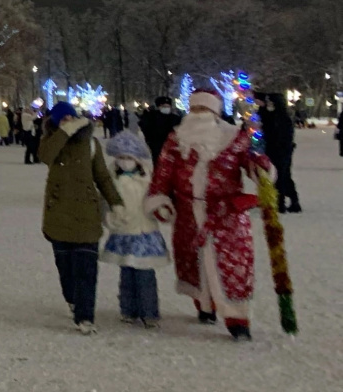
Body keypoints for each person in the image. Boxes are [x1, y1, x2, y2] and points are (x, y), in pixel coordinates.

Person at [146, 89, 273, 341]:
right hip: (188, 213)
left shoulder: (235, 137)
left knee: (232, 265)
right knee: (194, 263)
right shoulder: (176, 138)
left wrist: (261, 170)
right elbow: (163, 172)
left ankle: (238, 318)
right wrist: (160, 199)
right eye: (196, 110)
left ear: (215, 112)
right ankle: (205, 306)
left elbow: (252, 165)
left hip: (226, 214)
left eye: (205, 110)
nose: (200, 115)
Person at [39, 101, 125, 335]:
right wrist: (62, 133)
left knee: (87, 268)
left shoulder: (91, 144)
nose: (68, 122)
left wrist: (116, 202)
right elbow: (45, 157)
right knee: (66, 268)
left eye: (70, 118)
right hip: (59, 215)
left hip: (86, 213)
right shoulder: (51, 142)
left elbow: (103, 177)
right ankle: (73, 299)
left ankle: (85, 315)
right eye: (62, 119)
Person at [100, 132, 169, 327]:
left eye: (129, 158)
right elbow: (104, 202)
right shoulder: (111, 178)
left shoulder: (147, 178)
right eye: (121, 158)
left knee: (145, 275)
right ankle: (128, 309)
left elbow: (158, 197)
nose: (124, 162)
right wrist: (110, 217)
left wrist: (161, 208)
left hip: (144, 231)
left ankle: (149, 312)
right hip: (123, 231)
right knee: (127, 274)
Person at [258, 93, 300, 213]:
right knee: (284, 175)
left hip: (278, 149)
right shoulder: (279, 115)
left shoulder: (278, 117)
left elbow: (274, 131)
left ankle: (280, 202)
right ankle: (292, 201)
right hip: (281, 149)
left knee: (279, 175)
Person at [137, 97, 182, 162]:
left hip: (171, 147)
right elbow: (145, 128)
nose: (166, 108)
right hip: (156, 146)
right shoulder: (151, 117)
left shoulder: (175, 118)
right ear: (159, 107)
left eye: (168, 106)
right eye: (164, 106)